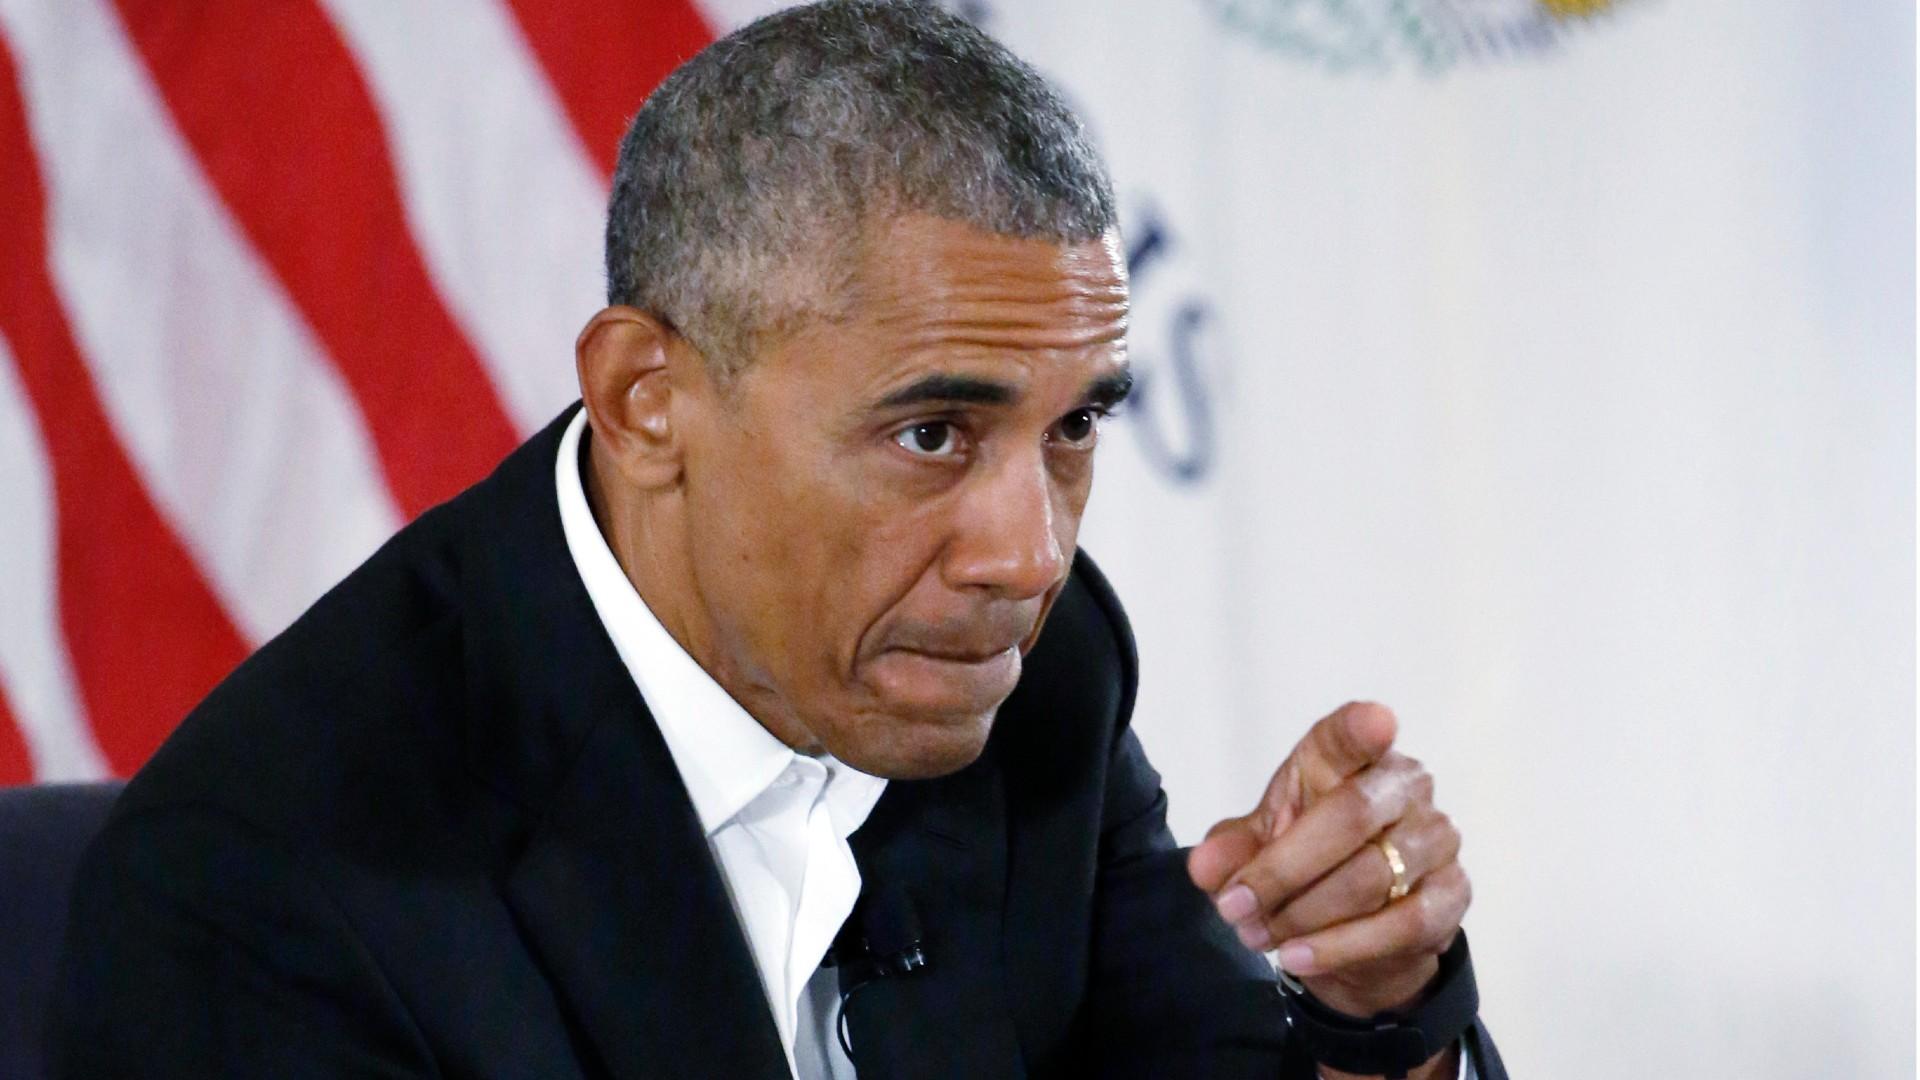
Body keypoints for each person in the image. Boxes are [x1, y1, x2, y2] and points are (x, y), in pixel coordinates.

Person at [51, 3, 1503, 1078]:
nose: (1028, 552)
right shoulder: (272, 888)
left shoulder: (1027, 674)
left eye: (1073, 429)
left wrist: (1380, 1019)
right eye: (934, 433)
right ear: (646, 401)